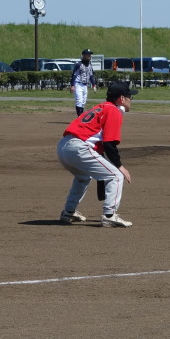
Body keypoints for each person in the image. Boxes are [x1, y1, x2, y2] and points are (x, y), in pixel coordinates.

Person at [56, 81, 135, 228]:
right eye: (130, 97)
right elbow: (109, 144)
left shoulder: (100, 107)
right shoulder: (113, 111)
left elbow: (99, 148)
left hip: (63, 146)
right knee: (116, 175)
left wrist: (101, 178)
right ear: (122, 98)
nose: (132, 100)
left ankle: (69, 212)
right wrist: (120, 166)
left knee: (83, 177)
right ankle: (109, 216)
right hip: (79, 147)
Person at [70, 49, 98, 117]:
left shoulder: (90, 65)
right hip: (78, 84)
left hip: (85, 85)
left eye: (90, 54)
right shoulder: (79, 65)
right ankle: (79, 117)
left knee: (83, 102)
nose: (89, 56)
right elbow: (74, 75)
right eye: (87, 54)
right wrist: (72, 85)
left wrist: (94, 84)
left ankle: (80, 117)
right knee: (79, 101)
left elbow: (91, 75)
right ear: (83, 55)